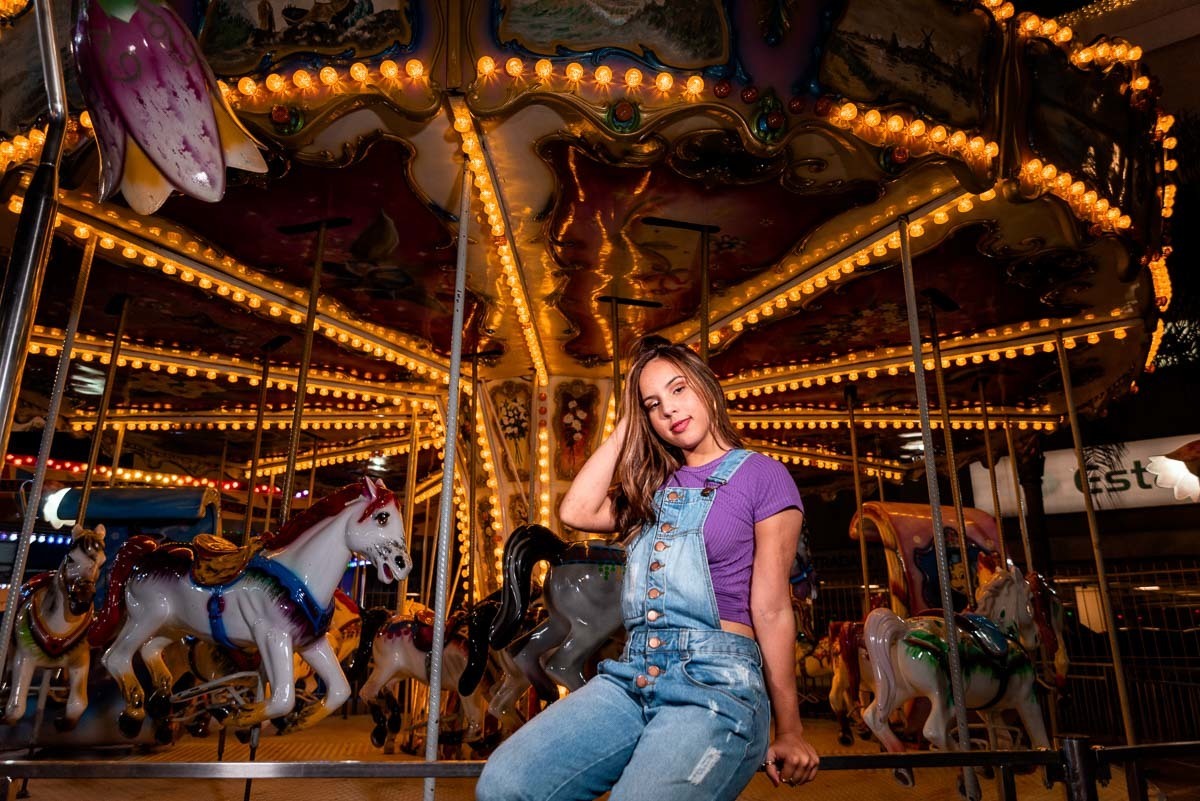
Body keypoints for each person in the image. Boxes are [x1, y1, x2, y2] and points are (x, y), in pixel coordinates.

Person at [476, 337, 819, 801]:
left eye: (679, 389)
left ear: (706, 384)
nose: (670, 410)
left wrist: (791, 728)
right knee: (505, 783)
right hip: (632, 673)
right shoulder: (653, 488)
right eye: (653, 404)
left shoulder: (762, 475)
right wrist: (627, 426)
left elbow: (773, 608)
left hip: (715, 680)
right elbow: (575, 510)